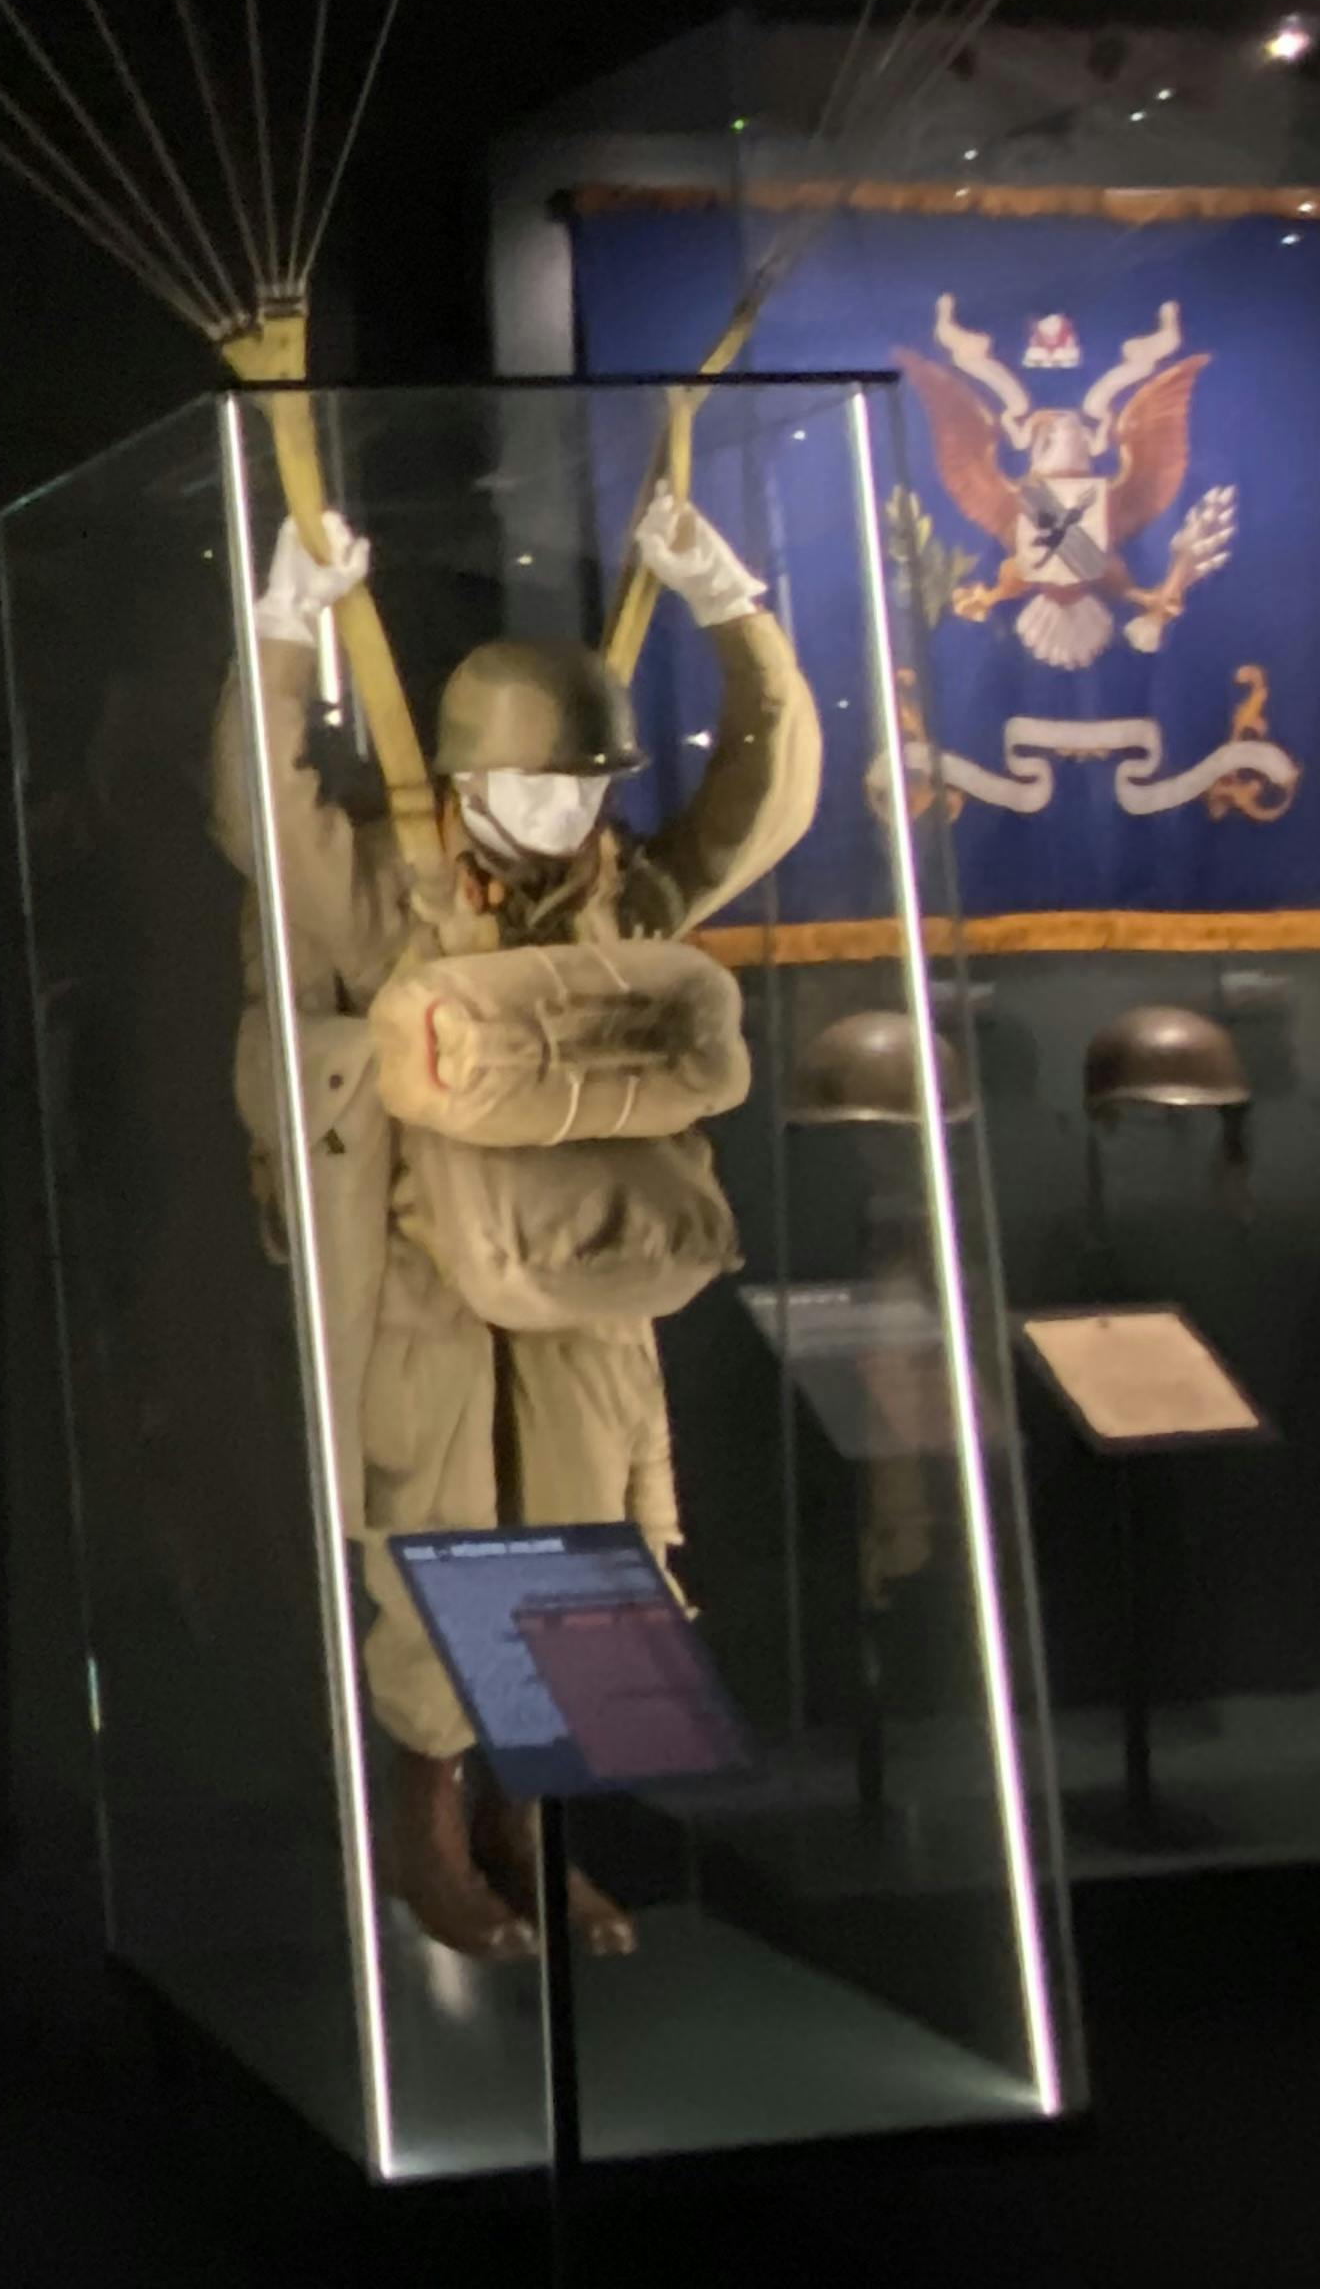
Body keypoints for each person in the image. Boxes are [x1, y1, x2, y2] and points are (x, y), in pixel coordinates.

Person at [214, 483, 816, 1962]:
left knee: (592, 1534)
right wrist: (284, 626)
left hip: (588, 1273)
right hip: (426, 1285)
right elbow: (261, 812)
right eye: (537, 789)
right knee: (437, 1535)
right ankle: (428, 1821)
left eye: (588, 789)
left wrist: (733, 608)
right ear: (469, 776)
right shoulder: (383, 892)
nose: (568, 817)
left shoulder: (623, 896)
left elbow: (764, 802)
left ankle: (534, 1818)